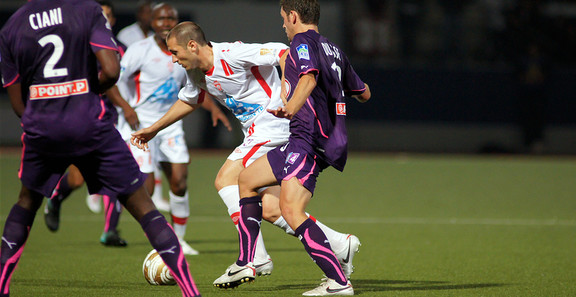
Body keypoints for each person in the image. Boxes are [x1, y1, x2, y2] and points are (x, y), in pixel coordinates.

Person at [130, 20, 362, 281]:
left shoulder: (233, 54)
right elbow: (190, 100)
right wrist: (154, 129)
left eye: (175, 52)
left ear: (192, 45)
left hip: (274, 126)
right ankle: (340, 244)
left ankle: (254, 258)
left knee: (226, 179)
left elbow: (283, 53)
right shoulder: (195, 72)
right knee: (271, 208)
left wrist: (289, 94)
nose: (173, 59)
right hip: (256, 134)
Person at [0, 1, 201, 296]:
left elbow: (17, 104)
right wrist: (82, 96)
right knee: (143, 204)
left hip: (42, 126)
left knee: (26, 203)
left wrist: (46, 109)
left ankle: (2, 287)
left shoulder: (11, 26)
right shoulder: (86, 10)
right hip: (89, 125)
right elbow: (110, 69)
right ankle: (190, 291)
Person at [212, 0, 371, 295]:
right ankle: (248, 261)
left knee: (290, 209)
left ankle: (338, 282)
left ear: (294, 16)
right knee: (246, 179)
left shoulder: (301, 42)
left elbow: (309, 77)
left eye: (284, 19)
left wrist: (291, 107)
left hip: (308, 139)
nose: (283, 25)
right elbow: (364, 92)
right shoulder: (334, 50)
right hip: (313, 138)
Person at [114, 3, 231, 256]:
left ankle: (179, 240)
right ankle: (160, 237)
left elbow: (194, 89)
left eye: (171, 18)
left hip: (169, 125)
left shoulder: (185, 54)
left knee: (179, 182)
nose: (165, 22)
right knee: (147, 188)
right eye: (160, 18)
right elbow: (114, 79)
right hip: (140, 125)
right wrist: (126, 108)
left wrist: (213, 108)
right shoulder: (139, 50)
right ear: (151, 22)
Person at [44, 0, 133, 247]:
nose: (103, 20)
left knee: (118, 170)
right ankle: (56, 196)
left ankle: (110, 231)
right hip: (81, 117)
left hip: (113, 119)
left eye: (107, 16)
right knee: (77, 178)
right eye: (98, 15)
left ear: (113, 21)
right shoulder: (77, 46)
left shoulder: (124, 49)